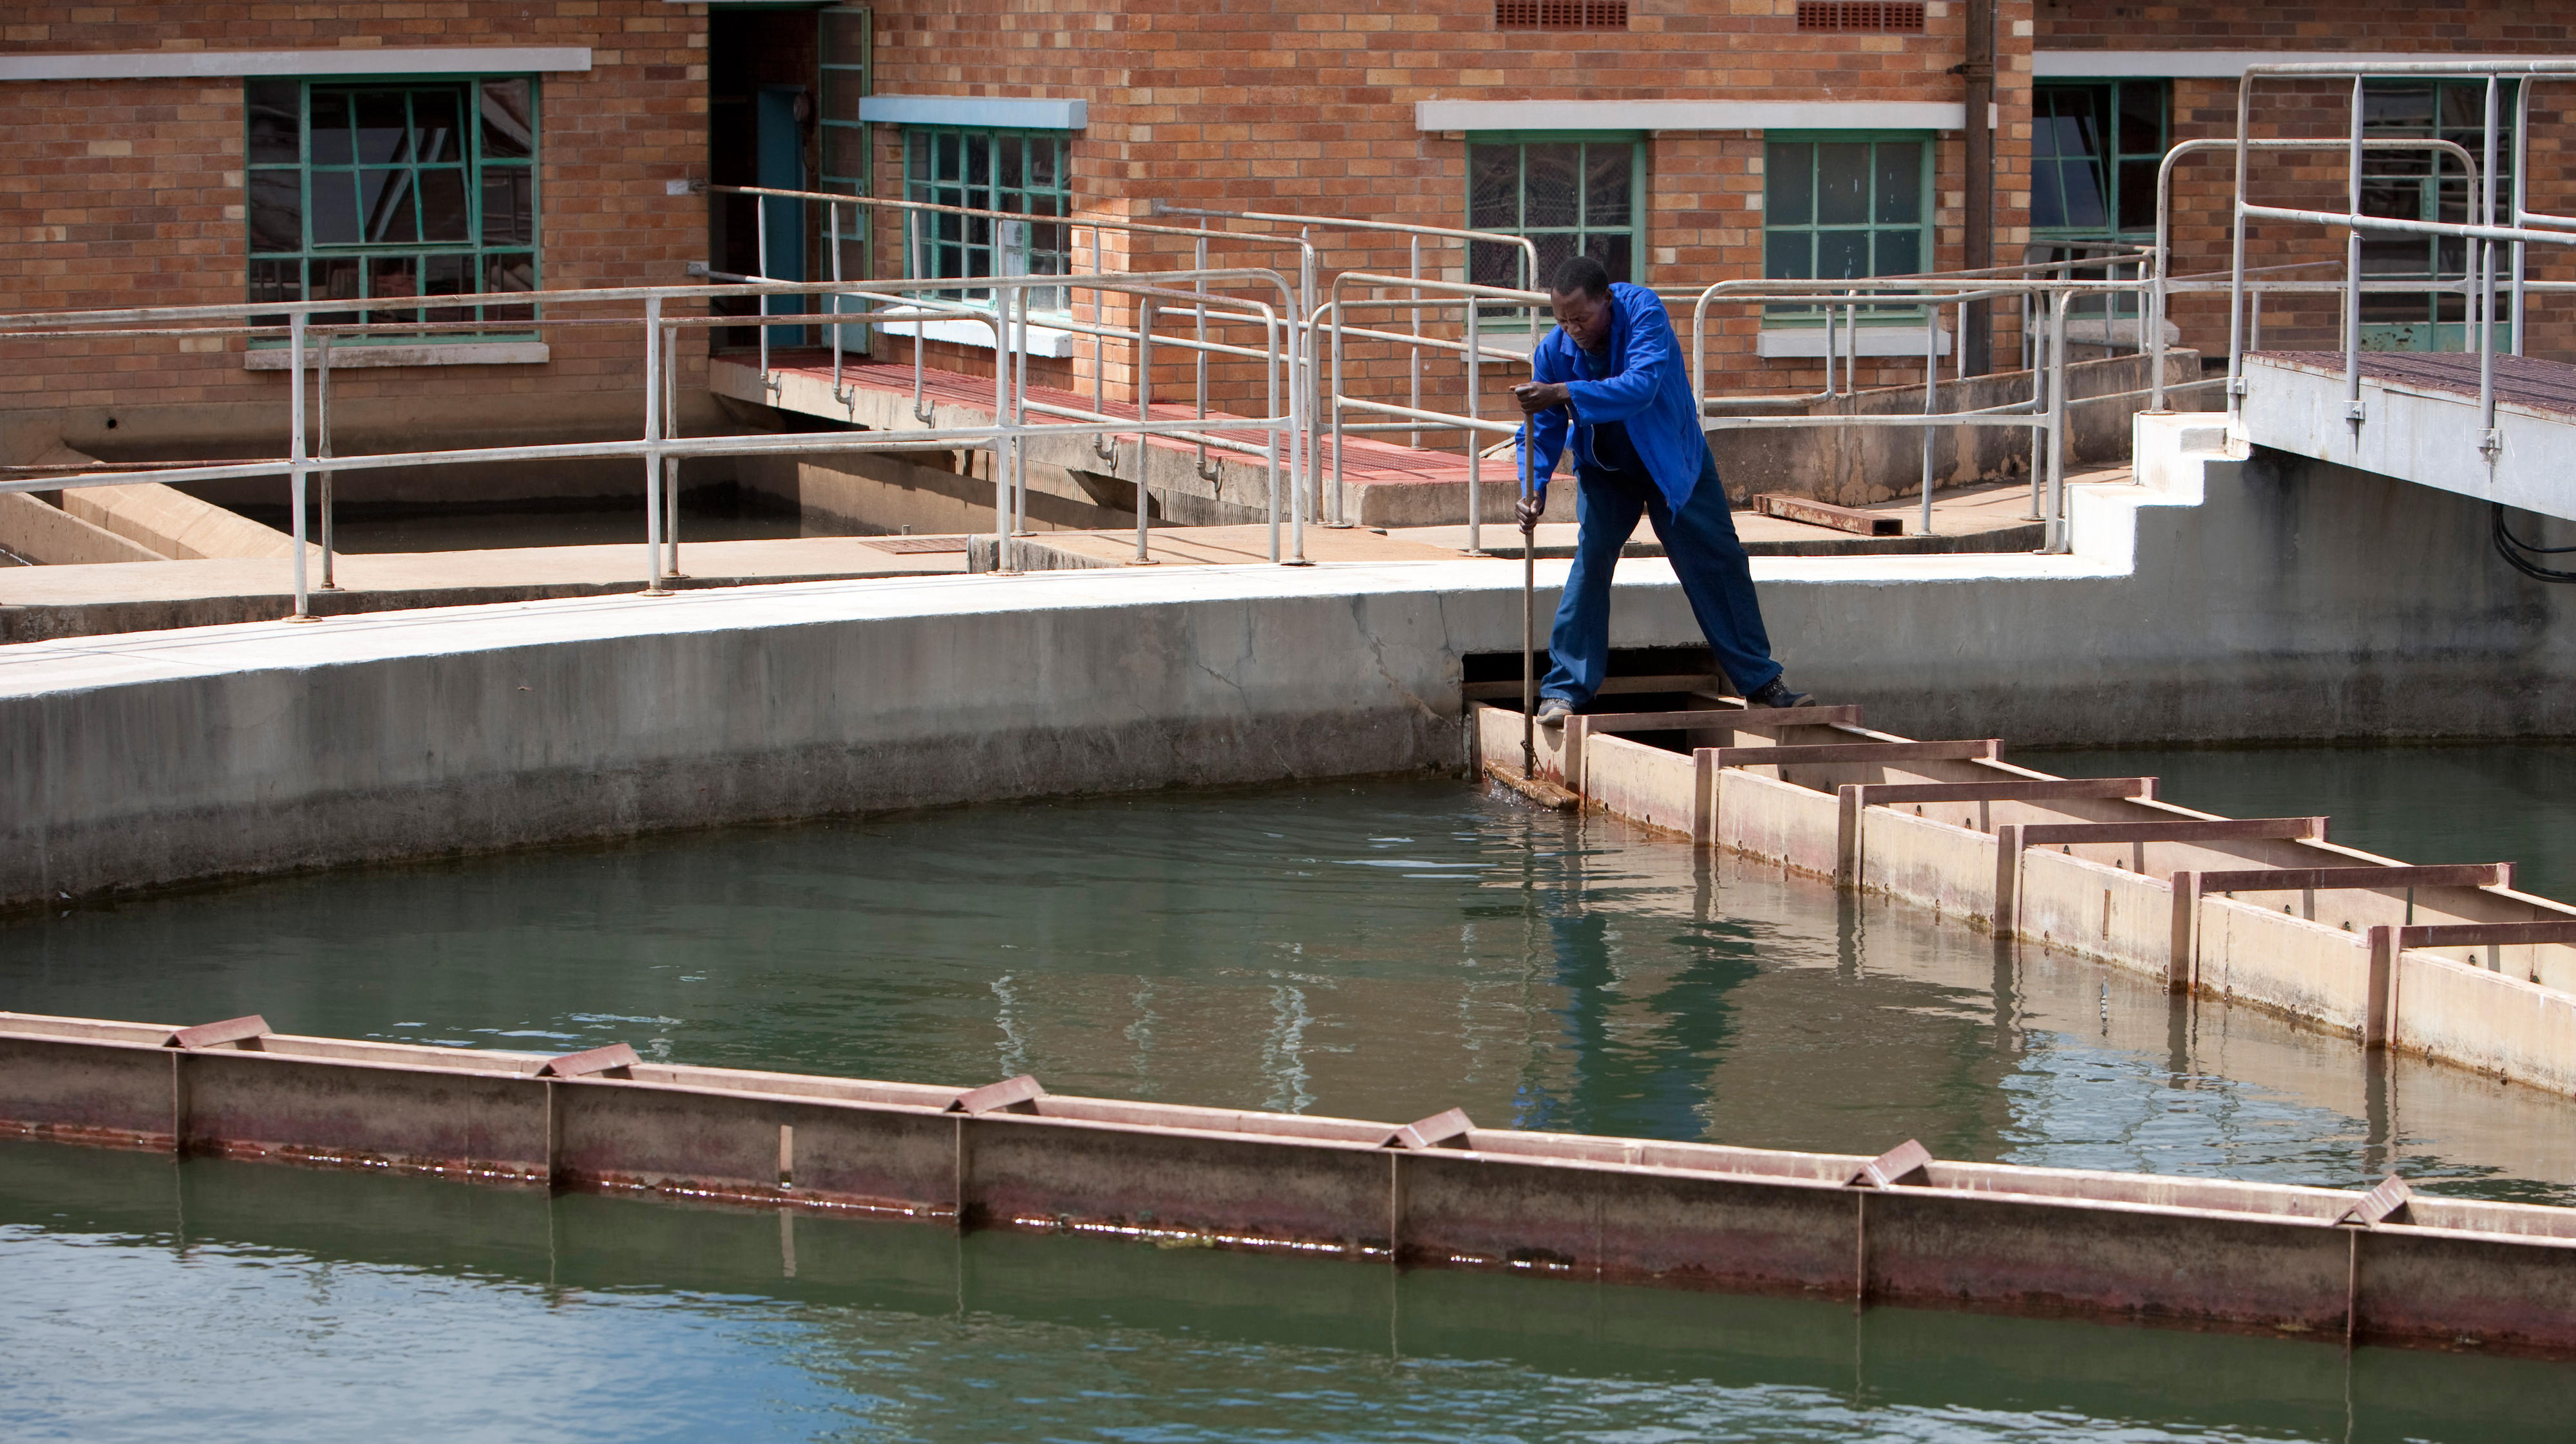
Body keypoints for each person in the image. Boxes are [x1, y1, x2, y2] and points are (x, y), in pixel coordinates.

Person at [1512, 254, 1811, 724]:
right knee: (1592, 562)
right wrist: (1532, 487)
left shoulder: (1645, 312)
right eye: (1563, 320)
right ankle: (1564, 690)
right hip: (1608, 471)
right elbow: (1539, 430)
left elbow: (1642, 386)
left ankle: (1761, 682)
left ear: (1607, 301)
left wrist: (1566, 392)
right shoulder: (1554, 352)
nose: (1573, 329)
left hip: (1672, 459)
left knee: (1719, 561)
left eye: (1582, 318)